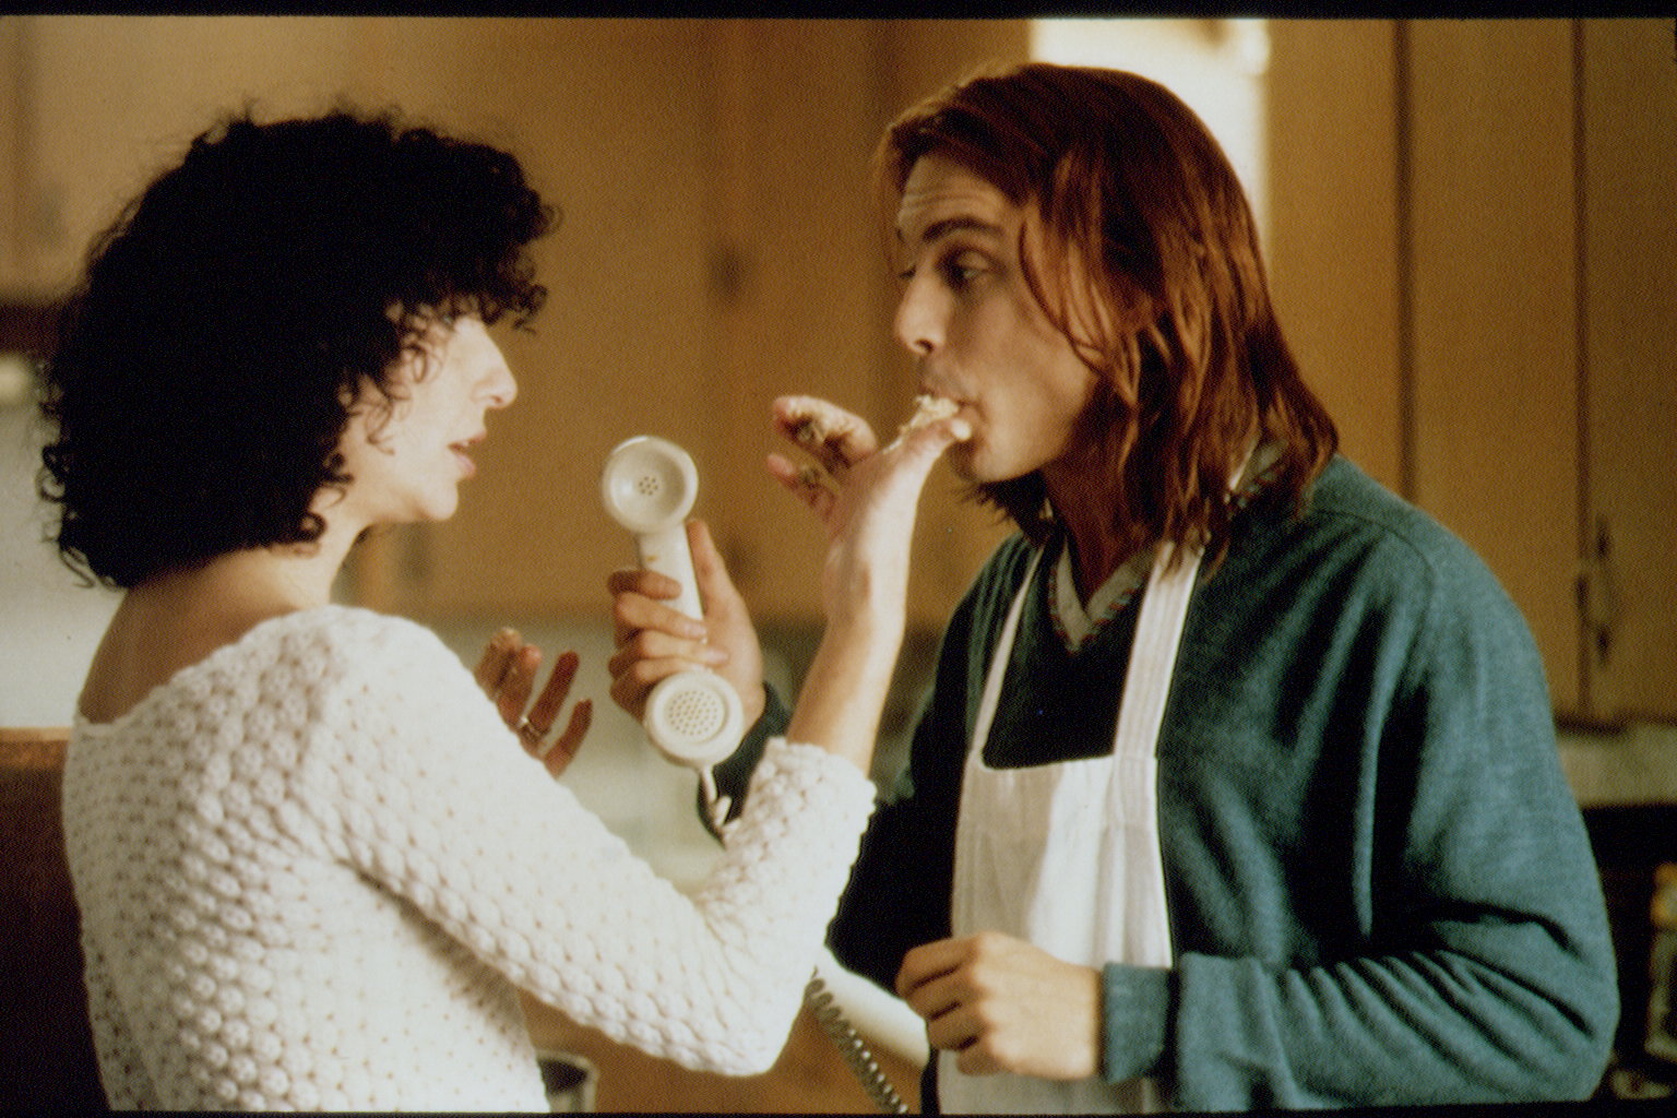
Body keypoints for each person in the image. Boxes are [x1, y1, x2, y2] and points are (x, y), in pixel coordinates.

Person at [606, 63, 1619, 1112]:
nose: (908, 319)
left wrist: (1119, 1016)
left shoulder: (1387, 597)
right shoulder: (1006, 605)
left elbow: (1541, 1015)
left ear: (1137, 284)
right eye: (909, 271)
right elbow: (914, 932)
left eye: (964, 268)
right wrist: (740, 728)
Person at [37, 107, 970, 1111]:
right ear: (305, 333)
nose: (500, 378)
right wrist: (864, 610)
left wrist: (446, 804)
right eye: (449, 315)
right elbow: (732, 1006)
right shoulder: (339, 680)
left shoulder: (126, 671)